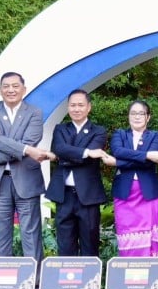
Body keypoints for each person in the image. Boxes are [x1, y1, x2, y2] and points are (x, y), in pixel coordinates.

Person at [0, 72, 54, 263]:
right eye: (6, 86)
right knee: (0, 236)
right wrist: (27, 150)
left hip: (27, 179)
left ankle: (35, 285)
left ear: (24, 89)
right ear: (0, 90)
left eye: (15, 86)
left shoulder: (34, 112)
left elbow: (30, 139)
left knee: (31, 234)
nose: (10, 90)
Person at [46, 89, 112, 257]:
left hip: (88, 196)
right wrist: (87, 153)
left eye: (80, 105)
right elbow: (59, 148)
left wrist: (67, 156)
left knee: (90, 244)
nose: (76, 109)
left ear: (89, 107)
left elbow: (66, 153)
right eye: (73, 105)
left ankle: (90, 282)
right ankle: (66, 282)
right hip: (64, 195)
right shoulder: (60, 128)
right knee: (65, 246)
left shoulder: (98, 131)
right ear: (68, 107)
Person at [109, 100, 158, 256]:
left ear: (148, 117)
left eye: (141, 113)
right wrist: (147, 155)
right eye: (133, 113)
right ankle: (129, 276)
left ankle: (151, 276)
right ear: (128, 116)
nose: (137, 117)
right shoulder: (120, 134)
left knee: (150, 239)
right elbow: (117, 151)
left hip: (149, 194)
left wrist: (119, 162)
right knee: (126, 235)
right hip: (124, 194)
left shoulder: (156, 136)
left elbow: (149, 163)